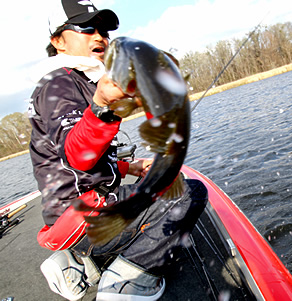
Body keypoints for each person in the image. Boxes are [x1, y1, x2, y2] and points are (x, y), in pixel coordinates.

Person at [28, 1, 207, 300]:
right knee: (191, 193)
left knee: (154, 187)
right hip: (83, 217)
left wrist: (129, 168)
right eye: (86, 28)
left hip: (77, 212)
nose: (99, 36)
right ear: (57, 40)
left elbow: (82, 163)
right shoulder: (57, 85)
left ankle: (77, 263)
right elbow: (77, 157)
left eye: (103, 30)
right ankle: (127, 282)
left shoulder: (81, 80)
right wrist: (101, 106)